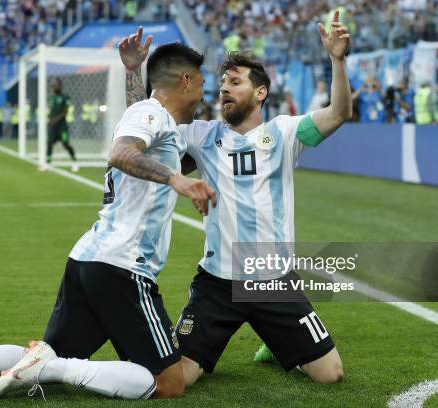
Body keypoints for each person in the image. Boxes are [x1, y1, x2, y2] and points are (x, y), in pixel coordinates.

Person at [0, 42, 216, 401]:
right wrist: (177, 179)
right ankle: (47, 368)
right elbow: (120, 153)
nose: (202, 93)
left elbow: (139, 117)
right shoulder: (153, 115)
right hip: (123, 266)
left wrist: (132, 71)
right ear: (185, 80)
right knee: (169, 382)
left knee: (52, 351)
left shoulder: (147, 114)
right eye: (201, 84)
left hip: (90, 259)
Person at [121, 13, 349, 387]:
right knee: (179, 378)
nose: (224, 88)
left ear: (260, 92)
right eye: (223, 82)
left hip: (273, 282)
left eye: (235, 82)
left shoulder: (285, 132)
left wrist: (337, 61)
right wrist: (134, 73)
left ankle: (276, 345)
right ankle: (272, 340)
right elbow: (145, 124)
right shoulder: (201, 134)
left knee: (331, 376)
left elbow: (340, 112)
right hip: (217, 282)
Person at [46, 79, 78, 172]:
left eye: (56, 85)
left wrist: (55, 120)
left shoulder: (65, 97)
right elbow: (50, 110)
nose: (55, 87)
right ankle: (48, 163)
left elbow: (65, 111)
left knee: (65, 143)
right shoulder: (51, 98)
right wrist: (49, 118)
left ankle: (75, 162)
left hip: (62, 126)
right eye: (54, 85)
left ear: (60, 86)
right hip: (52, 126)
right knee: (49, 143)